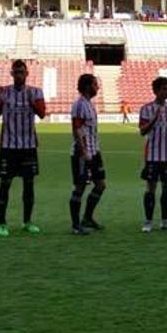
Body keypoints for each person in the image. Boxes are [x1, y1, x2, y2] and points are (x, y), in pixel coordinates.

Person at [0, 60, 46, 237]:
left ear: (27, 73)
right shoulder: (3, 91)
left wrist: (32, 102)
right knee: (5, 184)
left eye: (22, 72)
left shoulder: (36, 92)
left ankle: (27, 221)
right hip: (9, 145)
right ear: (11, 74)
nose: (19, 75)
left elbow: (42, 113)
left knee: (29, 185)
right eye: (16, 72)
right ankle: (1, 223)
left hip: (28, 146)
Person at [138, 77, 167, 232]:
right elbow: (142, 131)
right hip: (153, 156)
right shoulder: (146, 109)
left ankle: (165, 221)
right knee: (150, 189)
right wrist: (154, 118)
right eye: (164, 89)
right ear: (156, 90)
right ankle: (148, 222)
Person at [69, 74, 106, 235]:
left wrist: (94, 150)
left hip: (94, 151)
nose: (97, 87)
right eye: (95, 84)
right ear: (87, 86)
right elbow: (76, 129)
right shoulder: (79, 104)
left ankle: (87, 218)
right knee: (80, 187)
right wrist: (83, 151)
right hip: (82, 153)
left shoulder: (89, 104)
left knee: (100, 185)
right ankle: (76, 225)